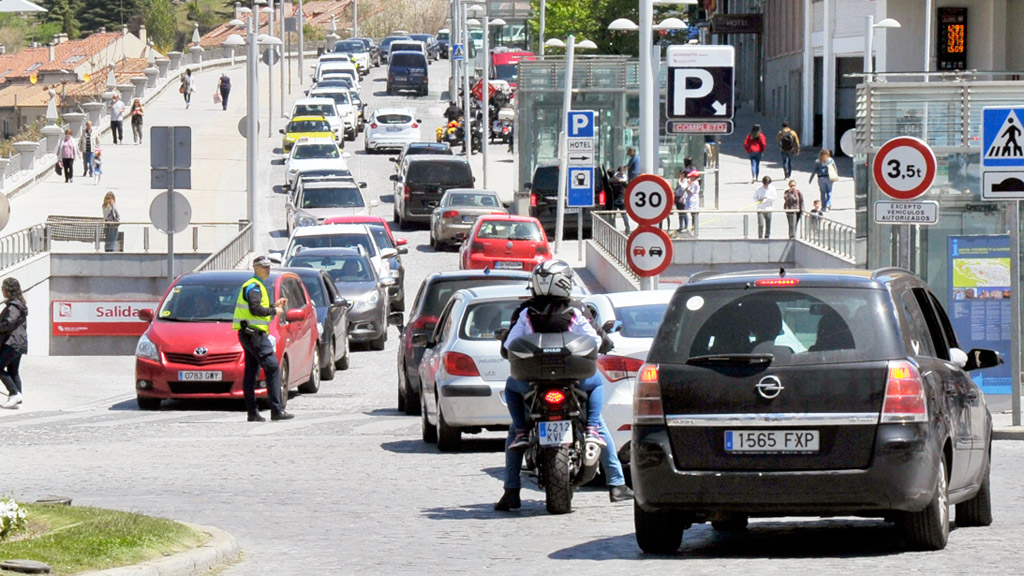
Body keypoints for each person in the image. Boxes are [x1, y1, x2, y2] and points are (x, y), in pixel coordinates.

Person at [494, 260, 633, 511]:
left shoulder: (526, 313)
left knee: (514, 421)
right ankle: (616, 483)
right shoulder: (576, 310)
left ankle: (512, 489)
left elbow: (507, 347)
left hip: (531, 384)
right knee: (598, 410)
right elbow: (597, 341)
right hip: (575, 382)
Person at [232, 255, 293, 422]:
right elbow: (255, 310)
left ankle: (253, 413)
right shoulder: (254, 286)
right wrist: (275, 312)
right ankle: (277, 410)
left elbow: (257, 308)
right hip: (254, 334)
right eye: (264, 266)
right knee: (273, 367)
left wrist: (274, 305)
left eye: (268, 266)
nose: (268, 269)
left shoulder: (255, 286)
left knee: (251, 373)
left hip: (249, 333)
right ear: (255, 268)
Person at [0, 278, 27, 410]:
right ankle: (17, 400)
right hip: (19, 343)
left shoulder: (14, 306)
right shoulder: (17, 304)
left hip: (12, 343)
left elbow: (9, 323)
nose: (1, 290)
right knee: (13, 371)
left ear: (8, 290)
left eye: (3, 287)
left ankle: (15, 394)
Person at [678, 169, 700, 235]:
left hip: (693, 199)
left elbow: (690, 190)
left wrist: (688, 184)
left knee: (693, 213)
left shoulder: (695, 183)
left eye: (692, 177)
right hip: (689, 198)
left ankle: (693, 226)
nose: (690, 178)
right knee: (689, 212)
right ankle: (691, 225)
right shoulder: (693, 182)